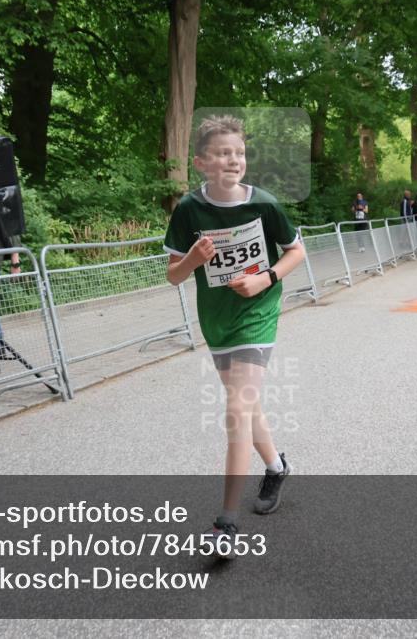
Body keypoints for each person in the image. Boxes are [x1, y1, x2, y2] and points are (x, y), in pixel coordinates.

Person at [163, 115, 306, 552]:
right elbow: (173, 276)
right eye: (224, 153)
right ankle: (277, 466)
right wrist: (192, 259)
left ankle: (226, 523)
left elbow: (296, 251)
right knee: (248, 405)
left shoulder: (263, 204)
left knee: (235, 410)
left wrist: (266, 279)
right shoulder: (189, 210)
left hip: (257, 315)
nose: (233, 160)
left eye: (239, 153)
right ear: (201, 162)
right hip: (218, 320)